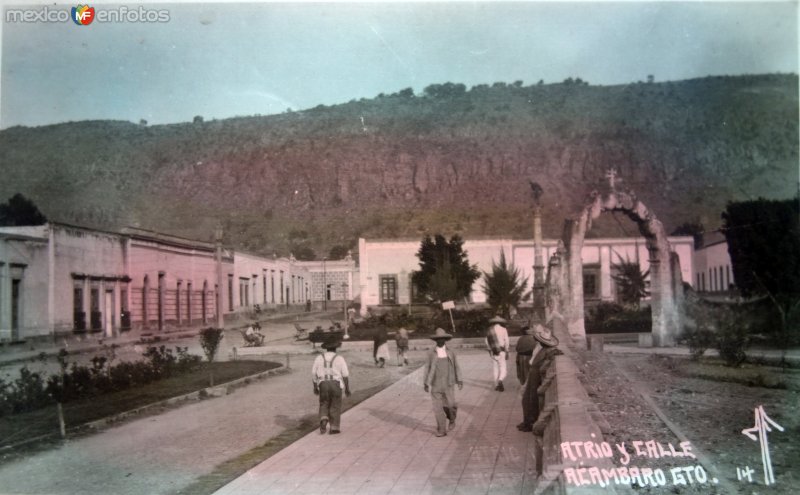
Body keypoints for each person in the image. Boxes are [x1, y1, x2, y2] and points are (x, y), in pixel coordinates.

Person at [517, 323, 560, 432]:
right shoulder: (541, 348)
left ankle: (530, 422)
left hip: (536, 376)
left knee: (531, 400)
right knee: (527, 399)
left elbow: (550, 356)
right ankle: (527, 421)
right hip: (532, 373)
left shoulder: (546, 350)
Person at [423, 328, 463, 437]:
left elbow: (456, 366)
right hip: (435, 383)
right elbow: (427, 368)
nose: (440, 341)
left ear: (445, 339)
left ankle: (452, 418)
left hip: (448, 383)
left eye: (442, 339)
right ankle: (441, 429)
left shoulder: (451, 352)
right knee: (437, 408)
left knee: (450, 405)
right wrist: (426, 382)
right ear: (435, 340)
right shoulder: (431, 353)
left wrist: (459, 379)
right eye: (438, 339)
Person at [312, 336, 351, 435]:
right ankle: (334, 427)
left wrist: (315, 386)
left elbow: (313, 373)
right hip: (336, 384)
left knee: (324, 402)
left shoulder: (319, 357)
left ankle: (324, 418)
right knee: (335, 404)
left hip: (323, 384)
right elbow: (345, 375)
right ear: (335, 348)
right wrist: (347, 388)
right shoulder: (339, 358)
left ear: (326, 348)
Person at [485, 315, 510, 391]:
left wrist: (490, 349)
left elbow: (486, 341)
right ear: (500, 322)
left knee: (495, 368)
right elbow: (507, 341)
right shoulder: (503, 329)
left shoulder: (489, 330)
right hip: (501, 351)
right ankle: (500, 380)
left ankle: (496, 385)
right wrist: (507, 350)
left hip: (493, 351)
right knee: (503, 368)